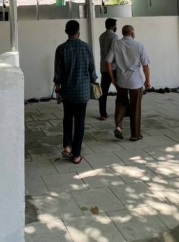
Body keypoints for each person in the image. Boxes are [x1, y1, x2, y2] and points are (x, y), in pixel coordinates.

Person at [53, 20, 98, 164]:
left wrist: (58, 90)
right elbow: (92, 71)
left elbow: (58, 73)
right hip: (82, 92)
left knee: (67, 119)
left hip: (67, 91)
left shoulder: (61, 49)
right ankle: (76, 155)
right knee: (79, 121)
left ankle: (67, 146)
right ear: (78, 32)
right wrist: (95, 82)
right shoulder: (87, 48)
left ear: (66, 32)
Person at [106, 24, 151, 142]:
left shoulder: (116, 44)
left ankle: (118, 126)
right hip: (135, 82)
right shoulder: (139, 45)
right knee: (136, 107)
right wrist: (147, 81)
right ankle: (135, 134)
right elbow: (145, 66)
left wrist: (112, 78)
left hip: (121, 81)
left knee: (121, 103)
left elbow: (108, 62)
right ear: (132, 33)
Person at [97, 17, 119, 121]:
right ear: (112, 26)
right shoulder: (114, 36)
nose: (116, 27)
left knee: (103, 91)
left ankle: (103, 114)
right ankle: (124, 111)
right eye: (115, 25)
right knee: (121, 90)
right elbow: (114, 53)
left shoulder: (101, 36)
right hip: (113, 67)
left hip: (103, 67)